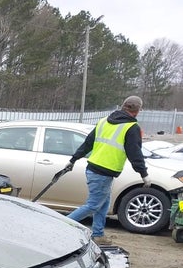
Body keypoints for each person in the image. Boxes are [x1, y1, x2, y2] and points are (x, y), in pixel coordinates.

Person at [62, 95, 149, 244]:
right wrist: (144, 174)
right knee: (93, 205)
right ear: (137, 110)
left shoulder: (104, 122)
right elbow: (135, 153)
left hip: (95, 169)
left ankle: (98, 234)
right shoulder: (131, 127)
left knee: (103, 204)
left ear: (123, 106)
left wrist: (73, 159)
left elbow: (87, 143)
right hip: (103, 172)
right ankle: (61, 224)